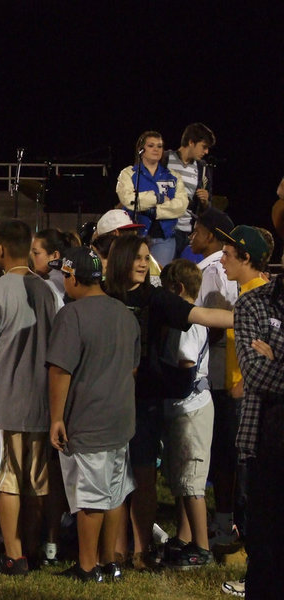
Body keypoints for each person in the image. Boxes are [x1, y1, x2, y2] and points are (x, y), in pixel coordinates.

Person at [105, 235, 234, 570]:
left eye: (146, 258)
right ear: (120, 260)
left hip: (145, 400)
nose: (142, 263)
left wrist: (242, 318)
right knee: (113, 477)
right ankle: (115, 550)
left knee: (144, 477)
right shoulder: (104, 296)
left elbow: (200, 314)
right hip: (108, 399)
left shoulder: (156, 297)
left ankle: (141, 551)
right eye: (136, 257)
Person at [46, 246, 140, 582]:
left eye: (64, 274)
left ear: (72, 277)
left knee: (89, 498)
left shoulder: (72, 314)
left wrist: (57, 417)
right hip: (120, 419)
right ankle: (109, 561)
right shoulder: (124, 312)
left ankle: (88, 568)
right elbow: (132, 367)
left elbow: (60, 370)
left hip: (87, 420)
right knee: (114, 493)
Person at [0, 219, 58, 574]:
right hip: (40, 399)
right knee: (37, 480)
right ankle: (33, 547)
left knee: (6, 478)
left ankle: (14, 553)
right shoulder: (47, 291)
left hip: (4, 400)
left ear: (1, 249)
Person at [226, 273, 284, 599]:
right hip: (264, 447)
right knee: (264, 557)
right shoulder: (253, 303)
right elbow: (256, 373)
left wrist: (277, 357)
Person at [216, 225, 274, 546]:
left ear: (246, 257)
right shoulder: (248, 292)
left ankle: (250, 551)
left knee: (247, 478)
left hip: (247, 399)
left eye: (227, 254)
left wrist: (243, 386)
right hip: (238, 395)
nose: (221, 259)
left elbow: (267, 353)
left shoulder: (256, 297)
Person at [187, 207, 239, 545]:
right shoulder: (217, 266)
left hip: (217, 373)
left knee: (220, 453)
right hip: (224, 371)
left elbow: (216, 321)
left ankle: (222, 525)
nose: (192, 235)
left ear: (212, 235)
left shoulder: (211, 269)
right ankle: (224, 521)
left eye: (197, 229)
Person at [158, 260, 214, 569]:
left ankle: (202, 546)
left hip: (191, 408)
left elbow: (185, 363)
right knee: (181, 479)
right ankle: (184, 537)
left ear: (177, 290)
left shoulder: (188, 323)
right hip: (182, 408)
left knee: (192, 482)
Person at [116, 130, 189, 267]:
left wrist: (155, 212)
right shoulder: (128, 173)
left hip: (164, 238)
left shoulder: (173, 176)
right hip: (134, 237)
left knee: (158, 279)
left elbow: (181, 205)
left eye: (159, 146)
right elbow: (129, 200)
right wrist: (158, 198)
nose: (156, 149)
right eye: (151, 146)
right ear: (141, 149)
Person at [162, 123, 216, 259]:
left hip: (187, 235)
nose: (206, 152)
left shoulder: (202, 169)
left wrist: (205, 201)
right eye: (204, 147)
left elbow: (207, 207)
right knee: (161, 276)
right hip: (165, 232)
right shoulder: (165, 159)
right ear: (191, 142)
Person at [30, 228, 80, 305]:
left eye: (36, 253)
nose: (31, 258)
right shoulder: (70, 279)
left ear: (55, 255)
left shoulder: (47, 287)